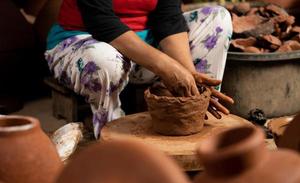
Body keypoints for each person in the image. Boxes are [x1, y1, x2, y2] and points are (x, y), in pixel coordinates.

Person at [45, 0, 234, 139]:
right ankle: (112, 138)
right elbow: (101, 22)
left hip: (144, 47)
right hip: (84, 42)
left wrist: (189, 74)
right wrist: (168, 67)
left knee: (218, 18)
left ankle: (191, 114)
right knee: (104, 60)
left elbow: (167, 18)